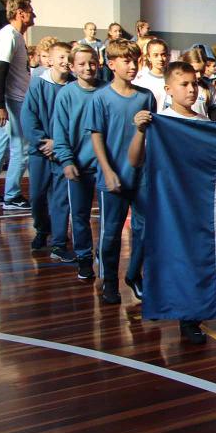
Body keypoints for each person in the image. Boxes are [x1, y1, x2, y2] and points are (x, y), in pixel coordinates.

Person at [127, 61, 208, 344]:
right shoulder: (158, 121)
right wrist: (139, 131)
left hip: (196, 205)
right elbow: (134, 160)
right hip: (166, 204)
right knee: (164, 258)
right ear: (168, 89)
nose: (191, 90)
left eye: (194, 84)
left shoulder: (205, 122)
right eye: (184, 84)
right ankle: (155, 298)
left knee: (194, 261)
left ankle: (190, 319)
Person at [86, 39, 156, 304]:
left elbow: (154, 136)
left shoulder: (145, 96)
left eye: (135, 60)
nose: (132, 65)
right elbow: (96, 137)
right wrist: (106, 170)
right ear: (111, 64)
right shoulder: (101, 98)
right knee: (111, 233)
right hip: (113, 176)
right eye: (126, 60)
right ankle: (109, 281)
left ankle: (133, 275)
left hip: (142, 177)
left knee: (146, 229)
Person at [52, 44, 103, 280]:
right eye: (81, 64)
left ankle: (105, 256)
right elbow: (60, 132)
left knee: (108, 217)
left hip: (105, 167)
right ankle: (84, 258)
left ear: (99, 63)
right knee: (80, 215)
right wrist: (66, 161)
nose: (88, 67)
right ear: (72, 67)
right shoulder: (66, 95)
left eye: (91, 62)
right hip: (78, 167)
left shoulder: (106, 91)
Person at [20, 42, 73, 259]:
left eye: (68, 57)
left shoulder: (73, 87)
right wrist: (44, 142)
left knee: (61, 198)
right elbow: (28, 117)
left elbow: (74, 122)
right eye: (60, 57)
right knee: (37, 195)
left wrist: (58, 144)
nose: (65, 61)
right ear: (49, 60)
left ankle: (59, 242)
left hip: (62, 153)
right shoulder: (37, 85)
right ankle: (43, 229)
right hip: (40, 152)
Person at [0, 0, 36, 209]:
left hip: (11, 99)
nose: (34, 15)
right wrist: (0, 104)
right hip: (11, 100)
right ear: (20, 13)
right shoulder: (8, 35)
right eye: (31, 11)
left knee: (1, 144)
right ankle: (12, 196)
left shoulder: (15, 36)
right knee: (22, 146)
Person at [133, 38, 170, 112]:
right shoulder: (140, 80)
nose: (160, 59)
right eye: (155, 55)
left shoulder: (173, 78)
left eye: (163, 55)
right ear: (149, 57)